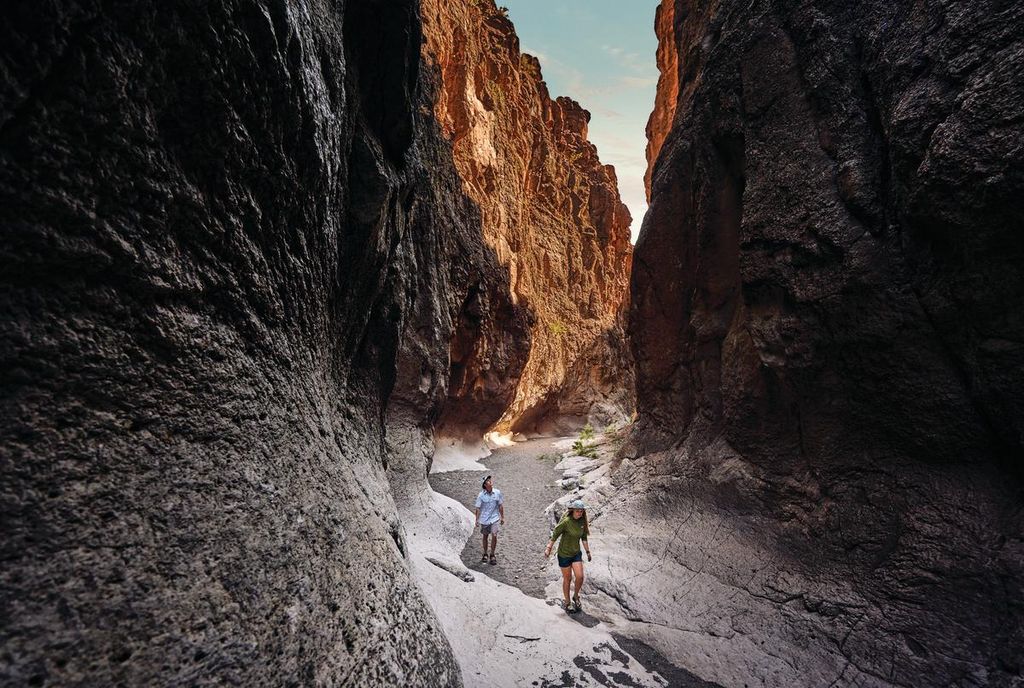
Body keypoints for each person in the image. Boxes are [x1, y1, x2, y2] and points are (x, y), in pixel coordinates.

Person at [544, 498, 592, 613]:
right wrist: (548, 548)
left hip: (576, 553)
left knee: (580, 577)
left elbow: (584, 537)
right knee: (568, 578)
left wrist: (588, 552)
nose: (580, 513)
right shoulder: (566, 521)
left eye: (581, 511)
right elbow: (555, 534)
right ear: (573, 511)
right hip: (564, 554)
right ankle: (567, 601)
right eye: (578, 511)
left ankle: (576, 596)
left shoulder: (582, 522)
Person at [474, 475, 504, 565]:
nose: (490, 481)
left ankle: (492, 554)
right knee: (485, 536)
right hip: (484, 519)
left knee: (494, 535)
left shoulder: (497, 492)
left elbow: (500, 505)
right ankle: (485, 553)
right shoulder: (481, 495)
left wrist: (502, 517)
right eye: (487, 481)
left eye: (489, 480)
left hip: (494, 518)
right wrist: (477, 520)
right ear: (484, 485)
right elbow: (478, 508)